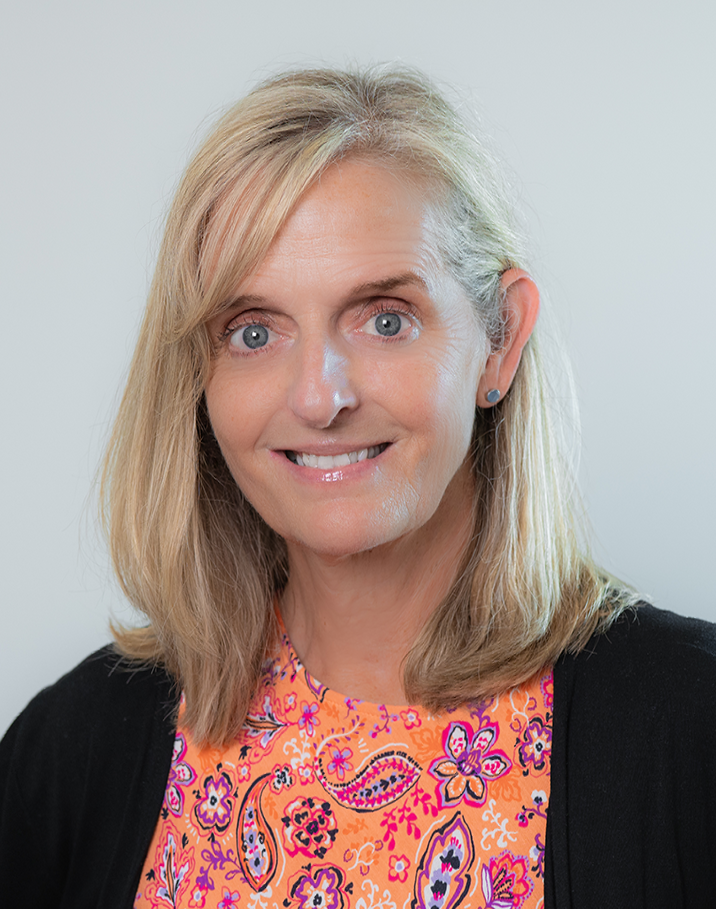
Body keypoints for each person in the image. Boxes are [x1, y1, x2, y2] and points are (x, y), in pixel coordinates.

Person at [1, 65, 714, 909]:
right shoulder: (72, 749)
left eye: (384, 319)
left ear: (499, 339)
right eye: (254, 331)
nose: (319, 397)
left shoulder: (692, 732)